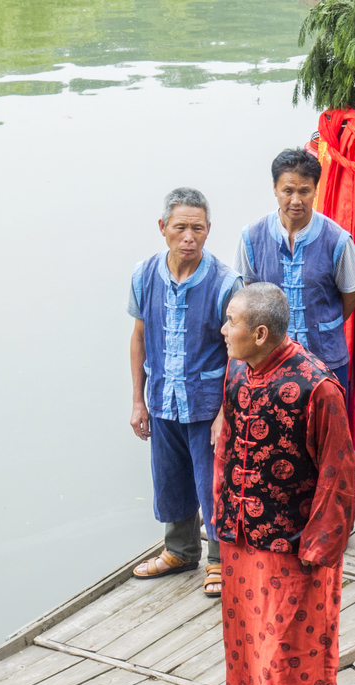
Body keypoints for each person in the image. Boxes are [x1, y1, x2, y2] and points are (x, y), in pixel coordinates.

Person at [212, 282, 355, 685]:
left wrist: (319, 545)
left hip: (294, 545)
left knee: (296, 646)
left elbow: (338, 472)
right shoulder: (237, 370)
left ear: (259, 333)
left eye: (231, 322)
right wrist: (222, 513)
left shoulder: (319, 387)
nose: (222, 330)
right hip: (242, 535)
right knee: (249, 636)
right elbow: (226, 443)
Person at [127, 187, 237, 596]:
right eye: (180, 228)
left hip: (207, 404)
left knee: (215, 483)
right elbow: (139, 337)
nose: (188, 237)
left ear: (209, 229)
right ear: (163, 228)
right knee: (170, 479)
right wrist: (138, 401)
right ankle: (180, 550)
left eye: (197, 228)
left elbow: (239, 353)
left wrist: (226, 412)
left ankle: (221, 560)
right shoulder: (144, 275)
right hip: (162, 399)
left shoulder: (226, 283)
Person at [235, 148, 355, 391]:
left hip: (326, 359)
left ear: (315, 190)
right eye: (288, 191)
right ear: (275, 188)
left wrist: (323, 323)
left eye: (304, 191)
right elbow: (249, 294)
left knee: (328, 415)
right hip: (270, 360)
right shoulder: (252, 237)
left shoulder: (337, 240)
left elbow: (351, 296)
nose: (296, 200)